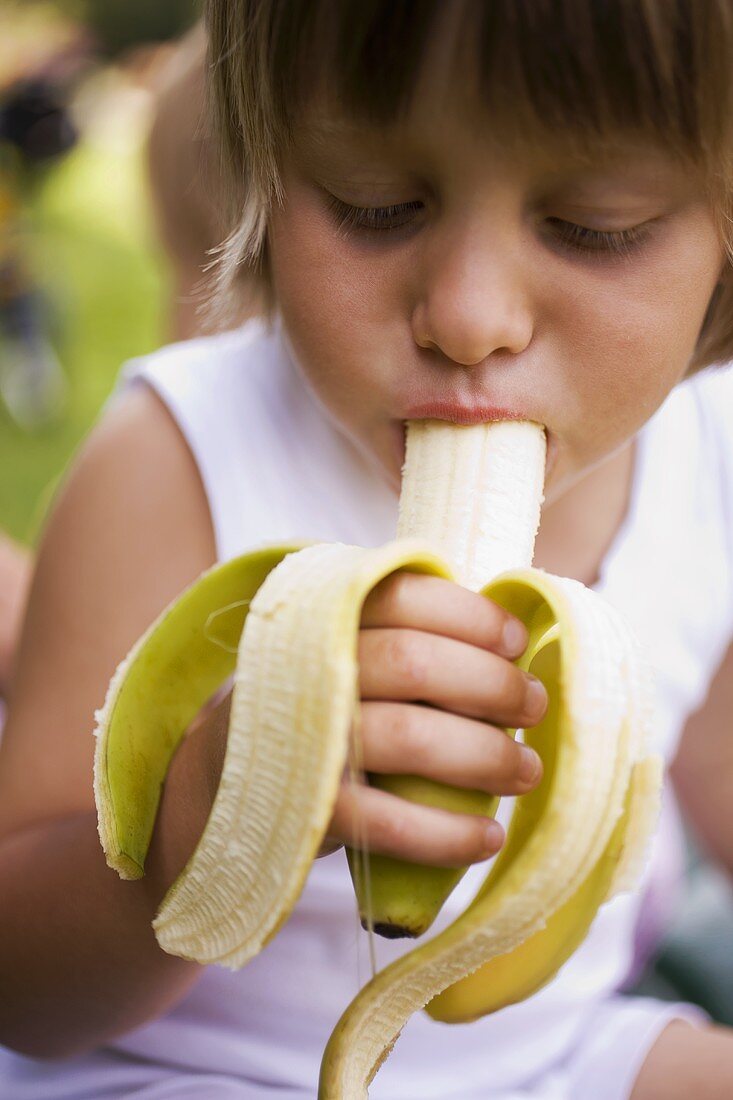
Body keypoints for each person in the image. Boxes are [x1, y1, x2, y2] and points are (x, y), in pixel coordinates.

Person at [1, 1, 733, 1096]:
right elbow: (20, 981)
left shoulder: (705, 460)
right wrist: (202, 819)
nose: (467, 314)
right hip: (197, 1070)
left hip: (558, 1056)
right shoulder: (179, 458)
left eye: (595, 222)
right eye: (374, 204)